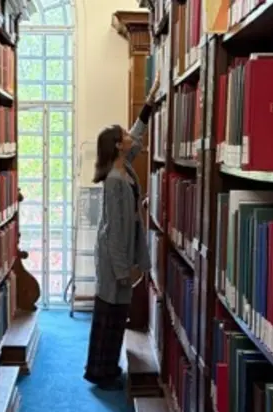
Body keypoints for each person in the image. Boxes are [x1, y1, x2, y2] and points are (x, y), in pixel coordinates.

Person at [83, 72, 160, 390]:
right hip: (113, 255)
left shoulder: (123, 166)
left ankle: (107, 365)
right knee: (109, 312)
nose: (129, 135)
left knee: (116, 311)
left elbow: (138, 135)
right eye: (123, 134)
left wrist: (149, 101)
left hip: (120, 253)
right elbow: (113, 231)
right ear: (117, 146)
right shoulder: (115, 181)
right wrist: (121, 270)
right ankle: (99, 370)